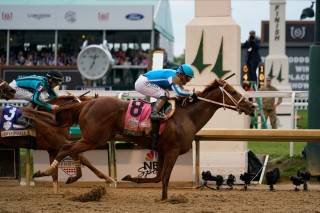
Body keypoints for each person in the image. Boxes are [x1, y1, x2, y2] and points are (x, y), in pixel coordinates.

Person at [135, 64, 196, 147]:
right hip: (143, 82)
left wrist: (188, 93)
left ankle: (155, 112)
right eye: (187, 78)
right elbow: (180, 92)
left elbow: (181, 91)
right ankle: (154, 113)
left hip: (144, 80)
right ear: (181, 75)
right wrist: (191, 93)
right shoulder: (174, 77)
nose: (188, 81)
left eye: (189, 79)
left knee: (165, 94)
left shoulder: (176, 75)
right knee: (164, 94)